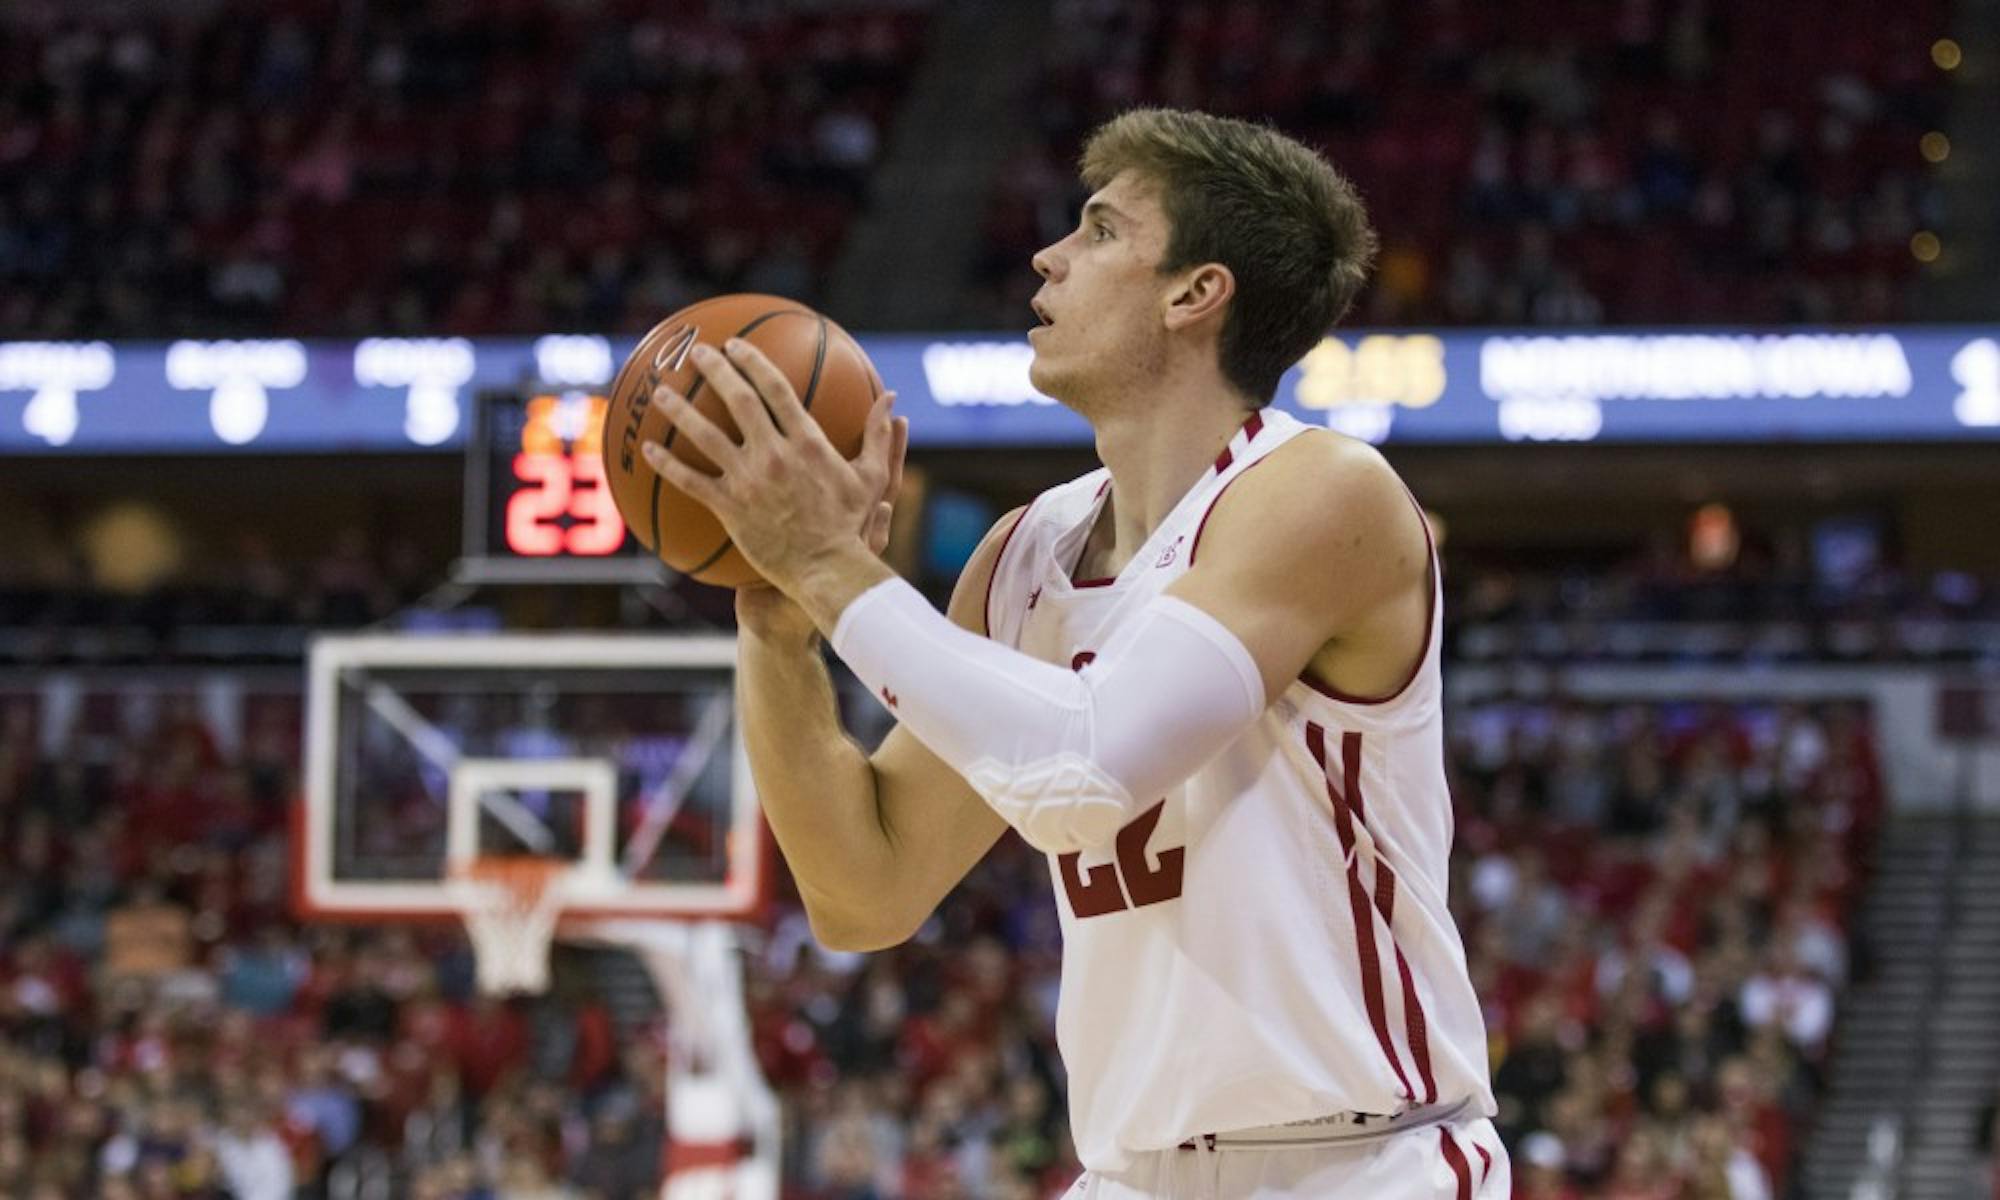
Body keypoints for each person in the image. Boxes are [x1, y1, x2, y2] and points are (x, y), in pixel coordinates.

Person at [641, 107, 1508, 1199]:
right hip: (1126, 1174)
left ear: (1195, 293)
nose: (1048, 256)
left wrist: (828, 565)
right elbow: (862, 893)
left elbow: (1083, 775)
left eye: (1098, 231)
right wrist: (774, 625)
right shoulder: (1021, 555)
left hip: (1361, 1164)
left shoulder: (1321, 493)